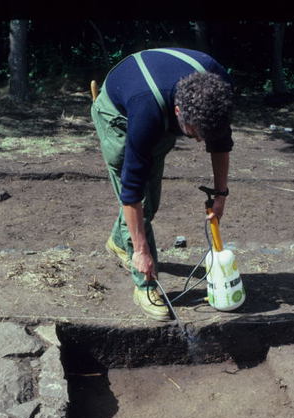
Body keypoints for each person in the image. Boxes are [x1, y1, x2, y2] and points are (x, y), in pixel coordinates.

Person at [91, 47, 234, 320]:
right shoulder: (147, 112)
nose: (200, 141)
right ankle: (144, 284)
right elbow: (131, 192)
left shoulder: (217, 90)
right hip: (119, 117)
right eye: (194, 134)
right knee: (143, 201)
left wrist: (220, 194)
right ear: (178, 111)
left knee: (150, 204)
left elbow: (221, 142)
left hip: (160, 110)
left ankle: (120, 242)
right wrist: (142, 252)